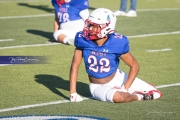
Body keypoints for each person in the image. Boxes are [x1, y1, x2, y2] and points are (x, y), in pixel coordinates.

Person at [69, 8, 162, 103]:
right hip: (97, 86)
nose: (90, 29)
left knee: (156, 93)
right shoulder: (83, 40)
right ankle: (140, 96)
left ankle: (130, 91)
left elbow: (134, 66)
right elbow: (75, 66)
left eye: (95, 26)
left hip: (117, 77)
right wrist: (73, 93)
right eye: (90, 25)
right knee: (119, 97)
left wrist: (125, 88)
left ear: (107, 27)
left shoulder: (117, 42)